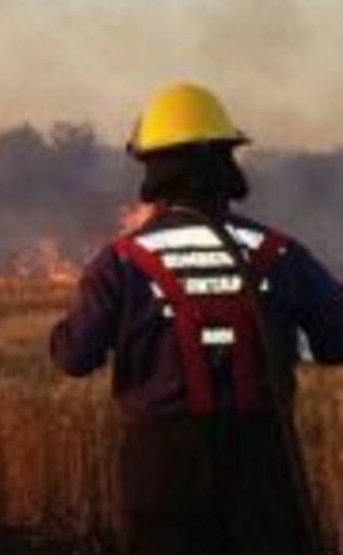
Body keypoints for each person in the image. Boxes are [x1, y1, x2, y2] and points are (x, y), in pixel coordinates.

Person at [49, 82, 343, 555]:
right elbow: (338, 340)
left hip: (163, 473)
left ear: (154, 169)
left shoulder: (123, 261)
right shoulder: (279, 252)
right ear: (227, 164)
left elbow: (74, 355)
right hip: (263, 467)